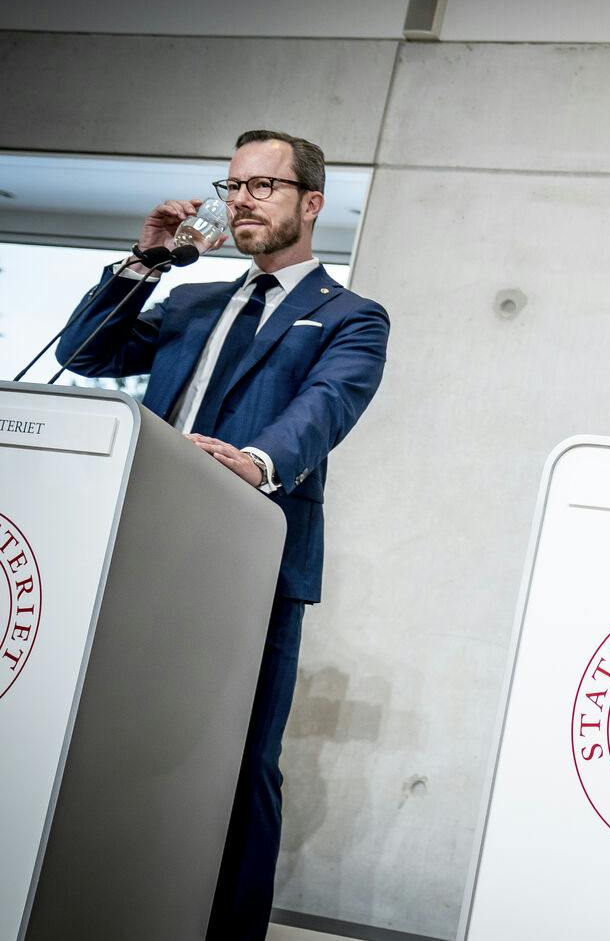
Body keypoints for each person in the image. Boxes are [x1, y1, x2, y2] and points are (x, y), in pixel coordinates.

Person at [54, 129, 389, 939]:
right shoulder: (193, 299)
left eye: (263, 186)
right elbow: (84, 350)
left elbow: (326, 409)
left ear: (310, 203)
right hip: (138, 554)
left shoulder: (350, 317)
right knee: (117, 740)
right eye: (233, 184)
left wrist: (254, 459)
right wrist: (144, 260)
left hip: (254, 566)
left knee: (240, 764)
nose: (241, 200)